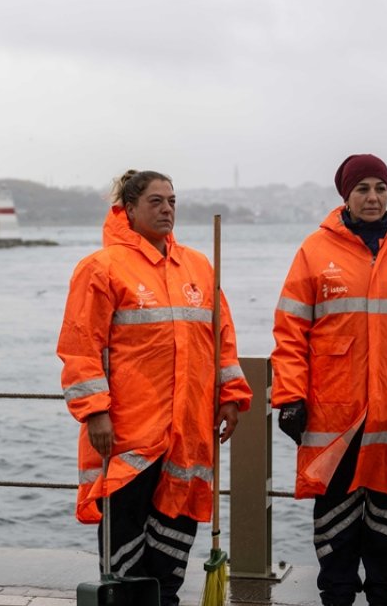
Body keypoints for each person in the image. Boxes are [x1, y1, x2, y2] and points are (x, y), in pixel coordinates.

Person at [270, 153, 387, 606]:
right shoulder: (314, 252)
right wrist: (289, 396)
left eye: (380, 188)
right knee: (335, 535)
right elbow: (290, 330)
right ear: (345, 196)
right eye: (363, 189)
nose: (372, 197)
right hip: (333, 418)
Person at [58, 169, 252, 605]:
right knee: (126, 550)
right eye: (155, 202)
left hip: (187, 433)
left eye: (172, 201)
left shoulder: (199, 266)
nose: (167, 210)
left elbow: (222, 338)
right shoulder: (101, 268)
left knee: (173, 544)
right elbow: (80, 347)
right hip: (128, 434)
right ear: (128, 208)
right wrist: (96, 412)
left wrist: (231, 397)